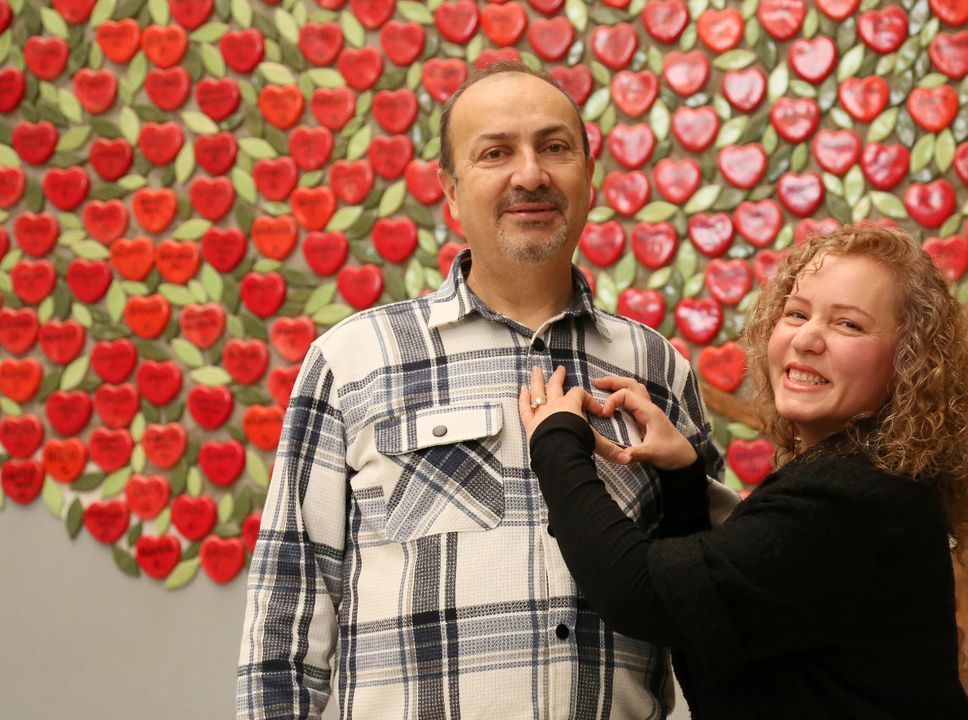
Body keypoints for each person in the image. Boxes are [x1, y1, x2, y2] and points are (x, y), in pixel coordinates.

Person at [237, 62, 728, 720]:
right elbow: (286, 618)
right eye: (495, 153)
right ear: (450, 188)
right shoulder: (354, 361)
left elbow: (711, 599)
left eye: (555, 148)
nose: (530, 174)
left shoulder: (657, 368)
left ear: (588, 175)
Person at [522, 224, 968, 719]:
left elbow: (638, 592)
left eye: (849, 325)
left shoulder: (855, 499)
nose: (807, 339)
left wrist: (556, 441)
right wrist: (682, 478)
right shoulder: (861, 482)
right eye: (797, 313)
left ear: (909, 362)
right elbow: (712, 622)